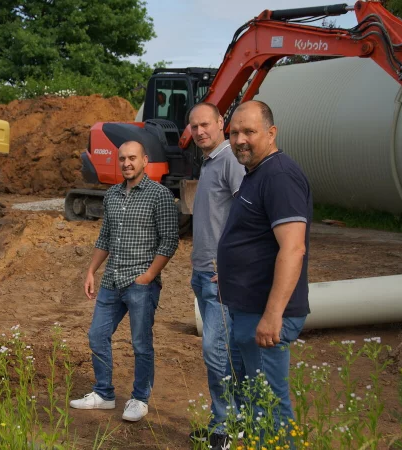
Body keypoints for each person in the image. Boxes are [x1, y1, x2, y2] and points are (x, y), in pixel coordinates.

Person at [217, 100, 312, 431]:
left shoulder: (280, 176)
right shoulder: (256, 173)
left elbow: (293, 248)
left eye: (249, 131)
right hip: (248, 309)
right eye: (234, 133)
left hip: (265, 315)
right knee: (252, 400)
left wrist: (273, 316)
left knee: (269, 404)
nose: (240, 139)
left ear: (271, 133)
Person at [70, 140, 179, 422]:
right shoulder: (112, 195)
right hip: (112, 280)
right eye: (122, 159)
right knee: (97, 334)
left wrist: (148, 276)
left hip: (140, 283)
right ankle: (104, 394)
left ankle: (140, 399)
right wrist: (91, 271)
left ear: (144, 160)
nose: (127, 163)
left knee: (141, 343)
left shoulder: (160, 196)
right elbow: (105, 238)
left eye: (132, 158)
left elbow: (169, 241)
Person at [186, 103, 245, 448]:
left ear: (221, 122)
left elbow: (248, 215)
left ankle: (225, 426)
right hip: (203, 272)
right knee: (225, 351)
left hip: (219, 276)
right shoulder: (210, 163)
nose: (199, 132)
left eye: (205, 124)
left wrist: (231, 264)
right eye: (194, 127)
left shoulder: (230, 162)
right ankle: (229, 420)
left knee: (216, 350)